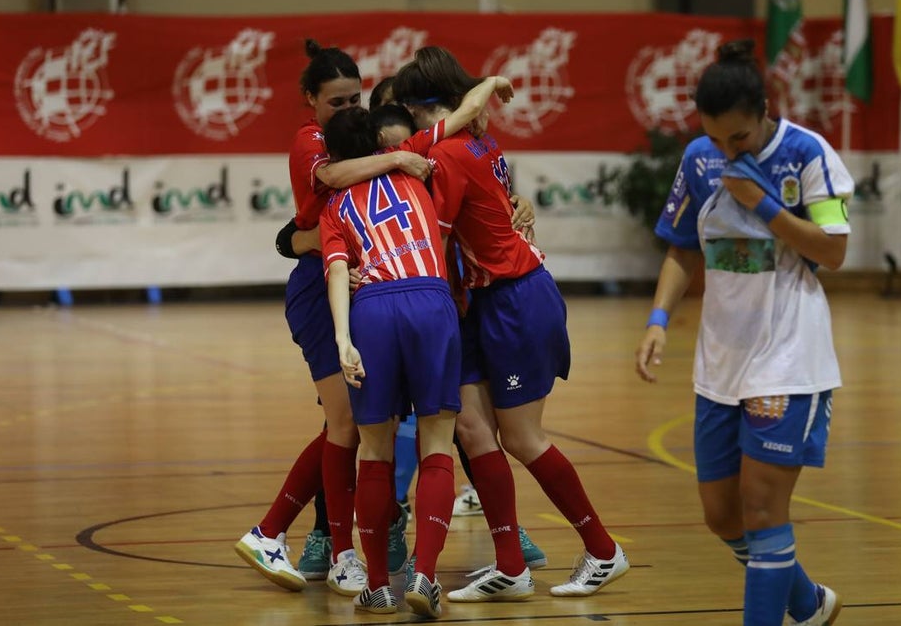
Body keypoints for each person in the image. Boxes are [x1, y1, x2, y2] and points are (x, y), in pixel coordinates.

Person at [395, 47, 629, 602]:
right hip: (480, 302)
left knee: (523, 438)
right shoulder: (473, 140)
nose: (413, 130)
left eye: (414, 115)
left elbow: (442, 238)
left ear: (434, 108)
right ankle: (510, 566)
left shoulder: (450, 151)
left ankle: (602, 550)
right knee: (472, 429)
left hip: (515, 298)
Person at [634, 39, 849, 626]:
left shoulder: (807, 153)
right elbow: (681, 249)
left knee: (762, 509)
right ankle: (807, 604)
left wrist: (766, 208)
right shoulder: (699, 161)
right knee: (722, 516)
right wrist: (658, 320)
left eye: (740, 138)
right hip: (720, 362)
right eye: (717, 137)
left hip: (788, 358)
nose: (729, 150)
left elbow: (834, 251)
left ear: (763, 111)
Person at [236, 40, 430, 595]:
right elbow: (335, 180)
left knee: (346, 425)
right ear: (309, 101)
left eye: (355, 100)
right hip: (321, 290)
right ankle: (319, 543)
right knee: (347, 426)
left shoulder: (359, 137)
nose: (348, 110)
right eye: (336, 102)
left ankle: (288, 536)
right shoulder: (311, 143)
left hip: (356, 285)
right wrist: (395, 157)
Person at [318, 82, 511, 617]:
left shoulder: (335, 205)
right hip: (431, 299)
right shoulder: (410, 161)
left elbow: (336, 270)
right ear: (379, 142)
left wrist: (343, 340)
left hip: (373, 307)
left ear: (334, 156)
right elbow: (470, 110)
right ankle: (424, 576)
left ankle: (378, 584)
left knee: (375, 452)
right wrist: (493, 83)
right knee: (437, 446)